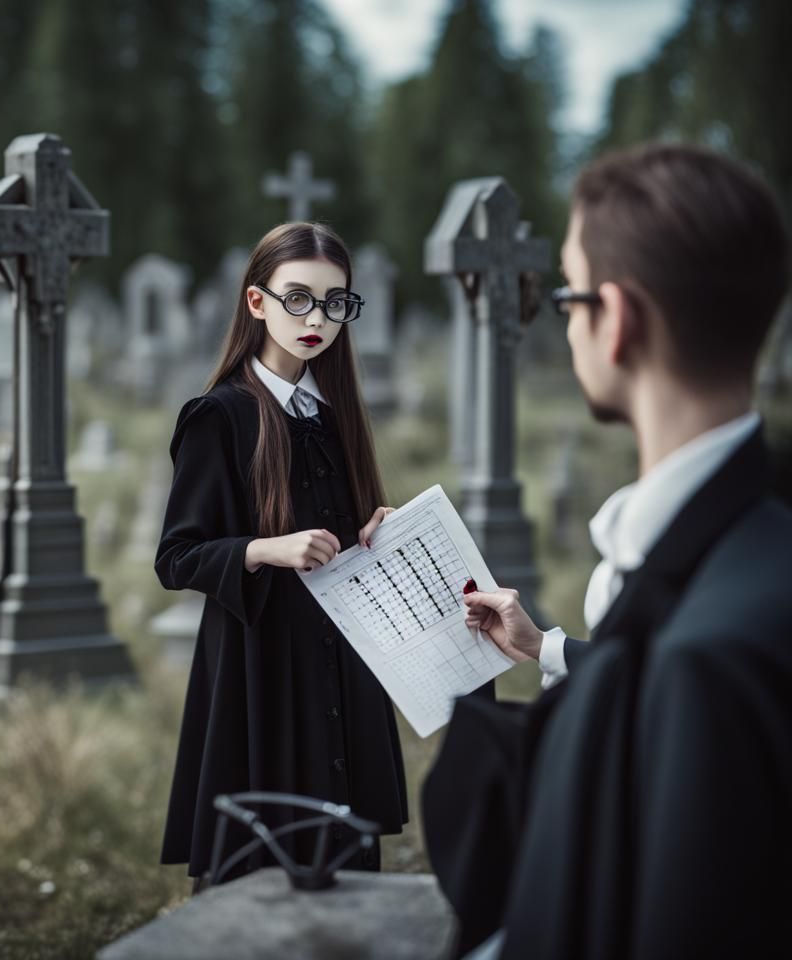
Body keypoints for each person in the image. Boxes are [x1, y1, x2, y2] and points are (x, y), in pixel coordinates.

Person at [422, 143, 792, 959]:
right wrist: (545, 648)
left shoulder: (707, 660)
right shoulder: (755, 548)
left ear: (615, 319)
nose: (564, 314)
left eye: (566, 293)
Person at [155, 221, 408, 884]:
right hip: (259, 671)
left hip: (341, 658)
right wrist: (267, 548)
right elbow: (177, 557)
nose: (316, 318)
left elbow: (342, 538)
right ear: (257, 301)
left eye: (334, 302)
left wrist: (374, 530)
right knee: (267, 860)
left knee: (342, 857)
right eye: (298, 298)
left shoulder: (336, 414)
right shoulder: (220, 416)